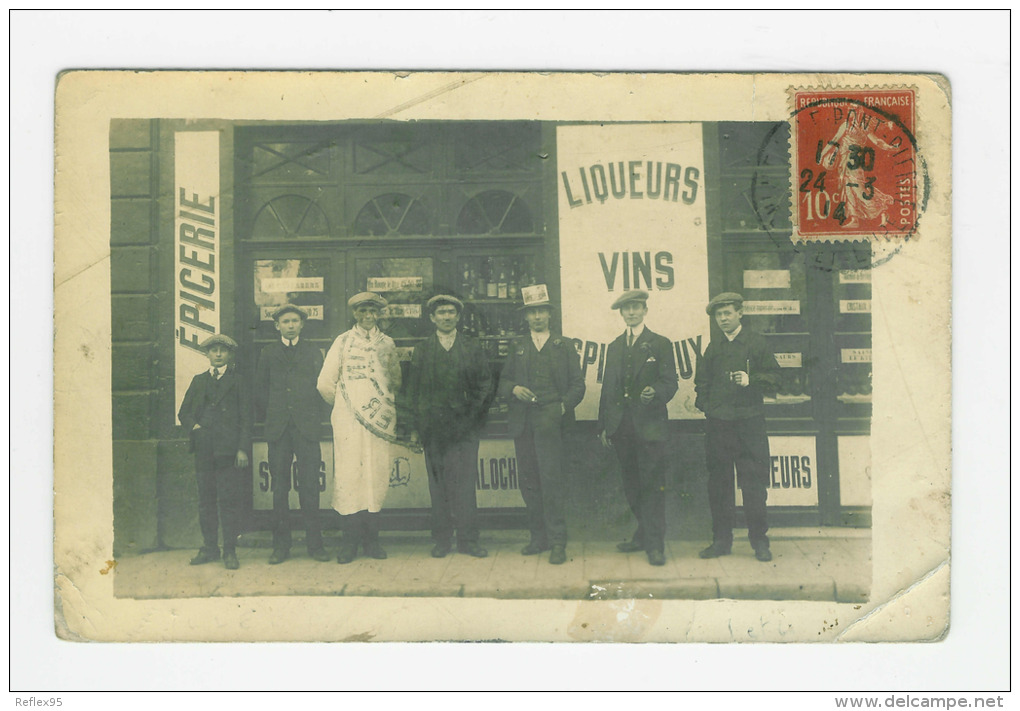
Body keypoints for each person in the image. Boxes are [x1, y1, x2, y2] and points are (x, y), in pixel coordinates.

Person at [399, 294, 492, 559]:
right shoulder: (423, 350)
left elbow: (484, 386)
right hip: (434, 430)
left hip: (465, 429)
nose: (447, 317)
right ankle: (442, 539)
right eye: (441, 313)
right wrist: (416, 428)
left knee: (464, 485)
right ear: (432, 318)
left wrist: (469, 416)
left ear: (459, 317)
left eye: (451, 312)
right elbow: (413, 392)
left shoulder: (472, 347)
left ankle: (468, 540)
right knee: (438, 487)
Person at [498, 285, 585, 565]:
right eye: (532, 312)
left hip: (552, 421)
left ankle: (558, 541)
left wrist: (562, 406)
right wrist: (513, 389)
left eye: (541, 312)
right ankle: (538, 538)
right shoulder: (518, 346)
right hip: (523, 422)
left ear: (549, 315)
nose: (537, 317)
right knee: (529, 482)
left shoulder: (564, 345)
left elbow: (578, 385)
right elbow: (502, 381)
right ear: (526, 317)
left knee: (551, 481)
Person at [694, 292, 781, 562]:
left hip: (749, 425)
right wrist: (708, 407)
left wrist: (750, 379)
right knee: (719, 485)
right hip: (719, 426)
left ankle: (759, 542)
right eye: (719, 315)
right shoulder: (714, 347)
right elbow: (701, 383)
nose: (723, 319)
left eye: (728, 313)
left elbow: (777, 379)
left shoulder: (756, 343)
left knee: (753, 484)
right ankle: (721, 541)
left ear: (740, 313)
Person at [317, 292, 403, 564]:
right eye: (363, 312)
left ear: (379, 314)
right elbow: (324, 383)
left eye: (373, 312)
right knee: (348, 477)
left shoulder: (387, 343)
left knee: (375, 478)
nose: (368, 317)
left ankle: (372, 541)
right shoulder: (342, 342)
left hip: (378, 422)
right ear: (355, 314)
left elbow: (395, 381)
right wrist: (345, 406)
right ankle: (349, 543)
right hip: (349, 422)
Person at [597, 290, 678, 566]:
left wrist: (655, 391)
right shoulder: (615, 346)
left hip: (651, 428)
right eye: (626, 309)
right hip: (622, 429)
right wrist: (605, 427)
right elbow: (608, 389)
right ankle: (643, 534)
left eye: (636, 308)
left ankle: (655, 545)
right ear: (621, 314)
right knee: (631, 486)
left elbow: (671, 383)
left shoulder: (660, 343)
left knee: (653, 486)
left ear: (645, 310)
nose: (631, 313)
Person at [255, 304, 329, 565]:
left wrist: (315, 419)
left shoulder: (313, 352)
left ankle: (315, 546)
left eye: (294, 321)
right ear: (277, 325)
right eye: (285, 321)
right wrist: (272, 417)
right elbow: (261, 391)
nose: (290, 325)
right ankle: (281, 547)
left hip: (306, 429)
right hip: (279, 430)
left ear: (302, 324)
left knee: (310, 488)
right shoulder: (268, 352)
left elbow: (323, 388)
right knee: (280, 489)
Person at [177, 334, 251, 570]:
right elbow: (184, 412)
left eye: (223, 351)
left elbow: (246, 418)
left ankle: (229, 550)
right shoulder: (199, 381)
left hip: (229, 451)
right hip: (204, 450)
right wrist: (195, 427)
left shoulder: (238, 381)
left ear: (229, 355)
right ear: (207, 355)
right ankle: (210, 548)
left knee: (228, 501)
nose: (218, 354)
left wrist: (242, 449)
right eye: (213, 350)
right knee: (206, 501)